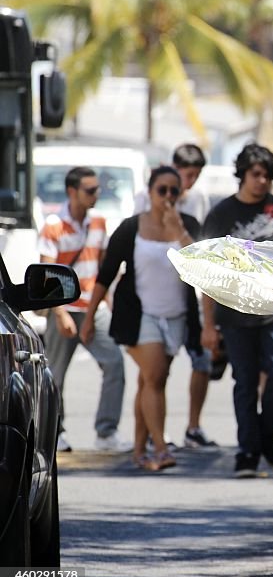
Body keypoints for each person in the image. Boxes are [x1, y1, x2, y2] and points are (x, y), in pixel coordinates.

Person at [81, 167, 200, 471]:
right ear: (150, 192)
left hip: (175, 316)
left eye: (175, 191)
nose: (169, 197)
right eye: (162, 190)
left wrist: (179, 231)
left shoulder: (187, 225)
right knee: (156, 374)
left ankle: (138, 451)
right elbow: (106, 276)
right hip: (139, 316)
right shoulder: (131, 227)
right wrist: (89, 317)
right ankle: (160, 448)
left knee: (151, 380)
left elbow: (200, 267)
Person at [201, 144, 273, 478]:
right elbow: (205, 272)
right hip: (233, 315)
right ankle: (248, 451)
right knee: (244, 383)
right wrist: (207, 324)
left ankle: (267, 436)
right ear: (242, 174)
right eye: (255, 174)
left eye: (267, 175)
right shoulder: (220, 214)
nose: (261, 181)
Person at [39, 166, 130, 453]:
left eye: (97, 189)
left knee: (114, 363)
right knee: (55, 374)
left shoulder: (99, 223)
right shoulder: (54, 225)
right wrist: (60, 312)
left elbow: (104, 270)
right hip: (63, 308)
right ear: (72, 192)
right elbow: (45, 273)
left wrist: (110, 303)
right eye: (90, 190)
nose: (96, 195)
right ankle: (57, 432)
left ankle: (106, 432)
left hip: (93, 307)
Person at [133, 143, 218, 449]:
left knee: (200, 361)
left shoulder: (197, 201)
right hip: (152, 297)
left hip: (188, 295)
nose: (177, 192)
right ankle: (150, 440)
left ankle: (192, 426)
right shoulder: (145, 200)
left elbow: (199, 248)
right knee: (154, 373)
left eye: (194, 177)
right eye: (187, 175)